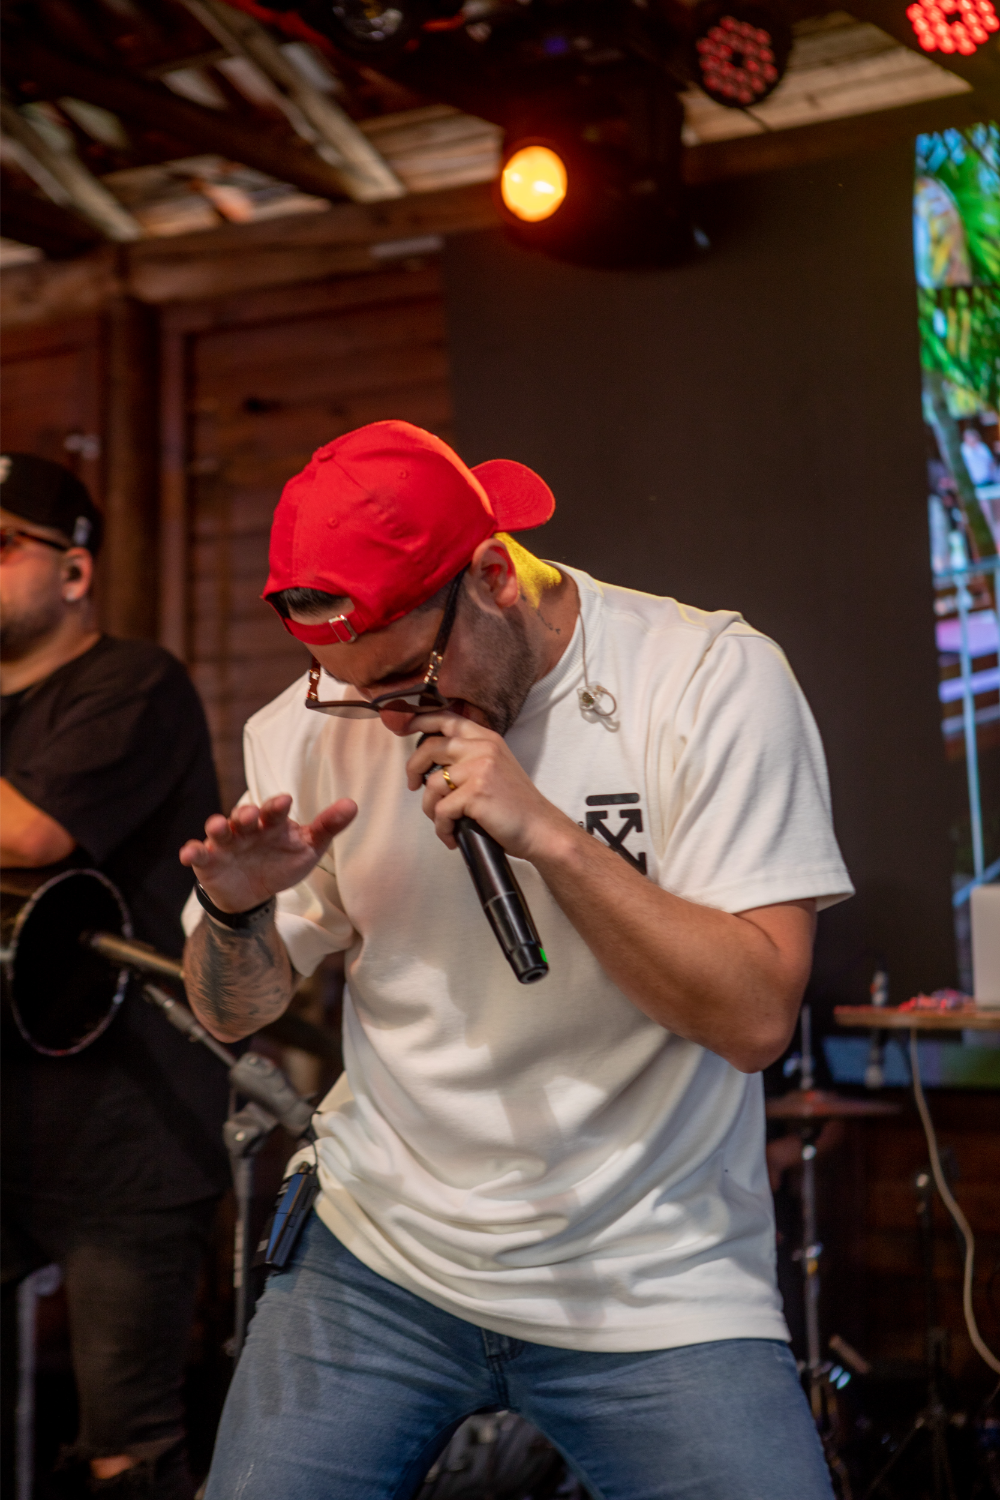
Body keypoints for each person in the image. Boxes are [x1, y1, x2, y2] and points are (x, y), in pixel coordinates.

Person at [180, 421, 854, 1500]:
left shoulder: (705, 677)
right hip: (380, 1257)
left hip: (653, 1273)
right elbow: (228, 1012)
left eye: (408, 678)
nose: (388, 720)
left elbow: (754, 1019)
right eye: (352, 690)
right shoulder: (310, 728)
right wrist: (233, 912)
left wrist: (548, 835)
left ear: (494, 575)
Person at [0, 455, 225, 1500]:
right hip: (9, 1107)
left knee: (124, 1449)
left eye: (2, 545)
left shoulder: (135, 682)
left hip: (124, 1128)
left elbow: (33, 835)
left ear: (75, 571)